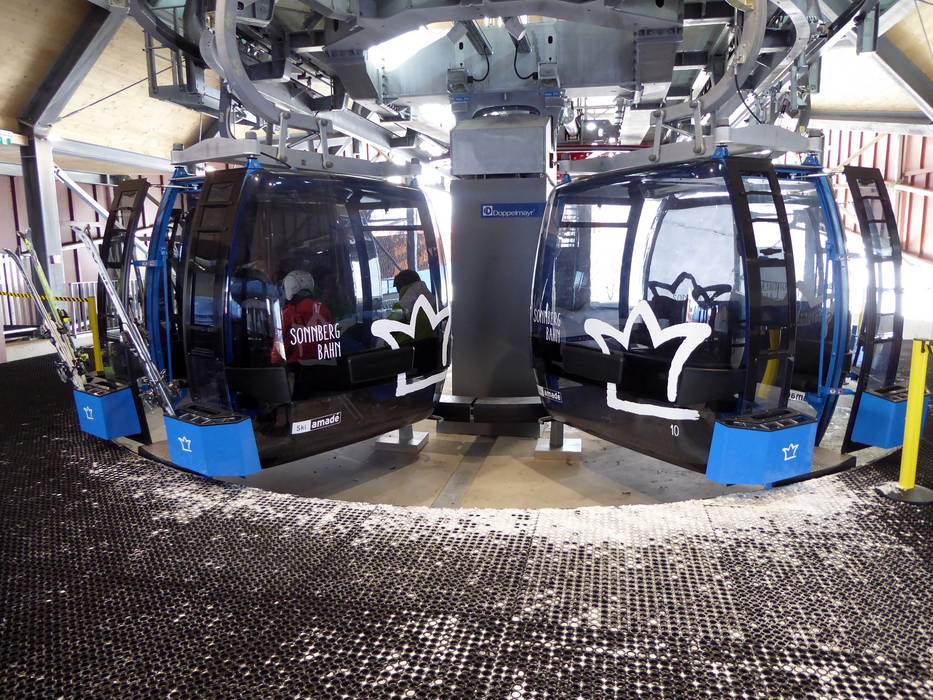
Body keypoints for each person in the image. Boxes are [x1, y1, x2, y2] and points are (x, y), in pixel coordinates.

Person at [273, 269, 334, 364]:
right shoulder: (323, 309)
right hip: (323, 365)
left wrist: (274, 363)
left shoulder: (287, 314)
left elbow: (278, 351)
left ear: (289, 288)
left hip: (296, 367)